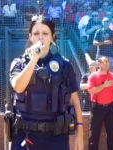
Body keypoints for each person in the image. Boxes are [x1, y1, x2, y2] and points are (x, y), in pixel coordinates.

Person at [9, 15, 84, 150]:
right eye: (36, 33)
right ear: (30, 37)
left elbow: (75, 100)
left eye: (45, 33)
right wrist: (33, 60)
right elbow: (18, 87)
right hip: (24, 135)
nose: (40, 38)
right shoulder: (19, 63)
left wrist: (80, 133)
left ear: (52, 38)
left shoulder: (64, 65)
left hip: (56, 137)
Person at [87, 56, 113, 150]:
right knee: (94, 134)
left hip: (111, 108)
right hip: (97, 108)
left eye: (108, 62)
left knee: (112, 133)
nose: (106, 63)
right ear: (99, 64)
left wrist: (110, 95)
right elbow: (91, 90)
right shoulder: (93, 76)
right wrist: (104, 86)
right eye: (104, 62)